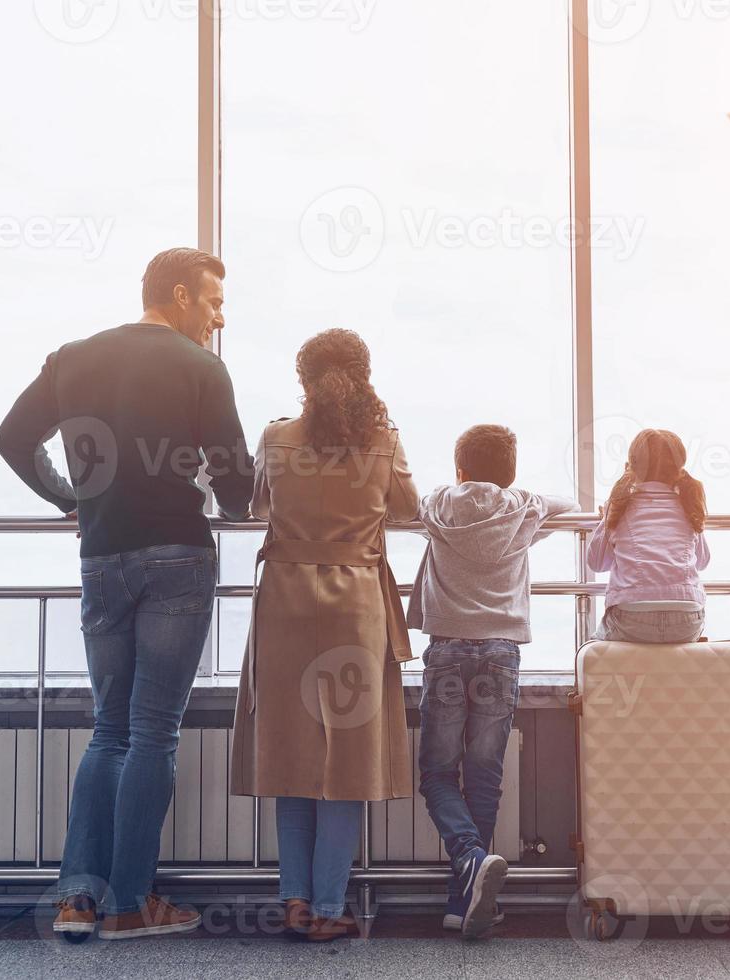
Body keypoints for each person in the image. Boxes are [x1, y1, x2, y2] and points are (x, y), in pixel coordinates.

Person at [0, 247, 253, 941]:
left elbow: (12, 439)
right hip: (177, 556)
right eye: (212, 303)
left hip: (101, 556)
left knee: (107, 727)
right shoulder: (201, 368)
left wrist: (68, 498)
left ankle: (77, 900)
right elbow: (234, 483)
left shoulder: (73, 358)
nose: (217, 318)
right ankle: (132, 904)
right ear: (178, 295)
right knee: (151, 731)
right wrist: (234, 503)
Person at [229, 328, 417, 942]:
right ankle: (332, 907)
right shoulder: (383, 442)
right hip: (355, 603)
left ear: (304, 379)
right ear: (364, 376)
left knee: (290, 750)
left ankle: (294, 902)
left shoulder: (277, 437)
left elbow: (258, 506)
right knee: (348, 758)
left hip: (284, 599)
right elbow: (410, 510)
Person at [406, 424, 575, 937]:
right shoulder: (522, 509)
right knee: (483, 776)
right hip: (501, 652)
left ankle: (468, 872)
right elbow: (567, 502)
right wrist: (525, 497)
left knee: (437, 774)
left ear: (459, 470)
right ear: (511, 473)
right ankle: (470, 887)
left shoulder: (437, 506)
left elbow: (398, 507)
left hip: (447, 651)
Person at [588, 428, 710, 644]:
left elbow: (597, 563)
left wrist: (605, 519)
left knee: (593, 643)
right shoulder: (688, 506)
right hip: (686, 620)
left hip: (631, 619)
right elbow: (702, 561)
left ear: (632, 465)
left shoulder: (619, 507)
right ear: (678, 468)